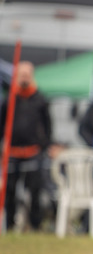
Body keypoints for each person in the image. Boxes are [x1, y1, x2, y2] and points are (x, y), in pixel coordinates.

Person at [0, 62, 52, 231]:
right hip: (13, 152)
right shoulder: (10, 98)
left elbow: (48, 125)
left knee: (35, 191)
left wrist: (44, 145)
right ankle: (9, 224)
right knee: (10, 191)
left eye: (26, 74)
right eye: (21, 74)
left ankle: (35, 225)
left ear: (31, 76)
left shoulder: (39, 99)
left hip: (33, 152)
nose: (24, 77)